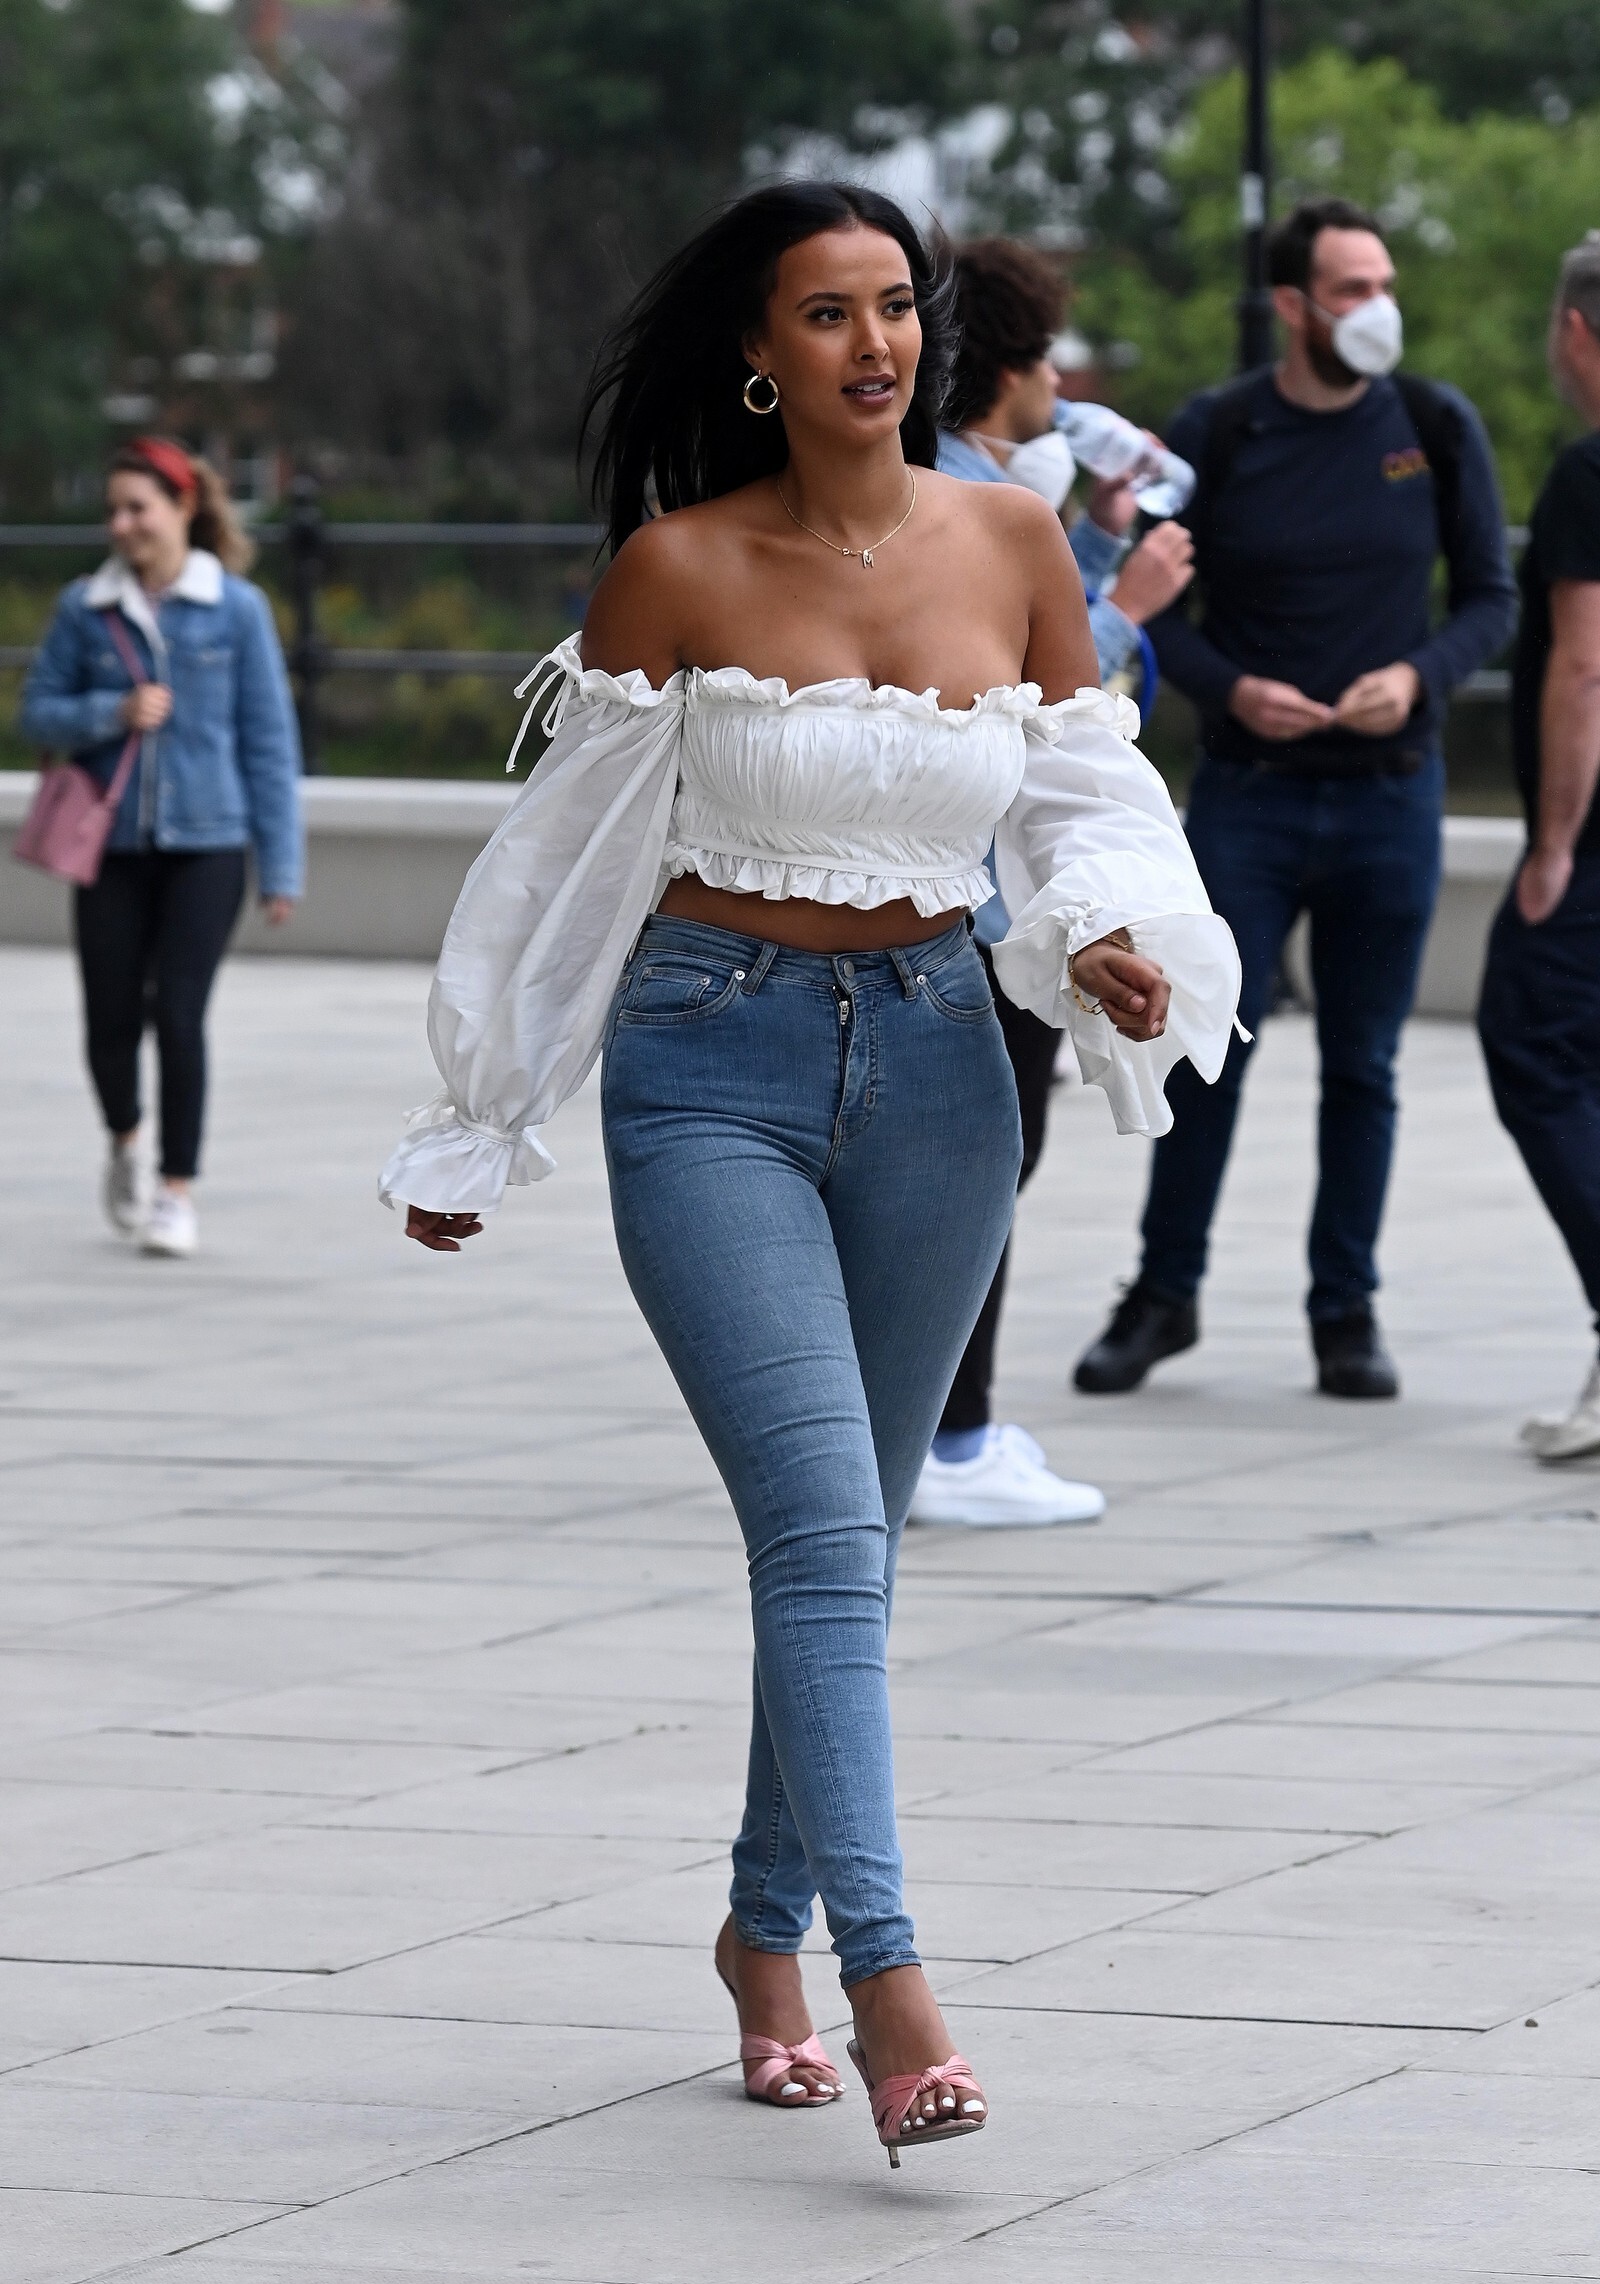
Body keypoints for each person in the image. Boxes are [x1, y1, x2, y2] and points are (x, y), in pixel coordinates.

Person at [378, 181, 1239, 2166]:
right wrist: (485, 1111)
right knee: (824, 1530)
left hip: (941, 1064)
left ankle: (757, 1937)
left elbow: (1083, 792)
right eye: (829, 313)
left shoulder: (1012, 544)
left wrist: (1107, 940)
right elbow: (570, 866)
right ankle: (888, 1982)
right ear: (759, 356)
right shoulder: (675, 569)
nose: (874, 343)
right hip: (709, 1070)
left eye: (896, 307)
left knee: (849, 1536)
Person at [1075, 196, 1517, 1401]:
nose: (1377, 308)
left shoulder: (1433, 423)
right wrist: (1233, 690)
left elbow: (1491, 597)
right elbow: (1147, 604)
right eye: (1351, 289)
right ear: (1291, 304)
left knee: (1364, 1068)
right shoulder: (1219, 430)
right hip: (1249, 798)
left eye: (1384, 285)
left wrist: (1416, 678)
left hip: (1391, 796)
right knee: (1204, 1046)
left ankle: (1345, 1312)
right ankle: (1162, 1295)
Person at [914, 236, 1196, 1526]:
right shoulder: (969, 500)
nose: (1060, 389)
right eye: (1044, 361)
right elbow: (1028, 693)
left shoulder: (956, 490)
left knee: (973, 1169)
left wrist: (1096, 543)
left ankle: (942, 1430)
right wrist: (1127, 601)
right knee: (981, 1168)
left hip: (972, 887)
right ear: (1008, 369)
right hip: (985, 895)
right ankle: (948, 1441)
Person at [20, 438, 302, 1256]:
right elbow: (36, 711)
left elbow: (269, 744)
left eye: (137, 508)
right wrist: (111, 711)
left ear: (183, 506)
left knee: (179, 1013)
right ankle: (125, 1139)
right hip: (109, 847)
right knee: (110, 1016)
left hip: (210, 843)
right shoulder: (86, 607)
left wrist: (281, 867)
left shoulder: (236, 609)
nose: (121, 524)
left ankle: (177, 1189)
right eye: (112, 510)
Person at [1479, 232, 1600, 1464]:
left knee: (1531, 1047)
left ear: (1574, 331)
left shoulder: (1589, 471)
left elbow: (1582, 666)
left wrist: (1552, 844)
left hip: (1594, 843)